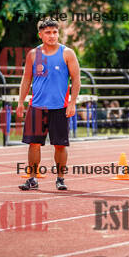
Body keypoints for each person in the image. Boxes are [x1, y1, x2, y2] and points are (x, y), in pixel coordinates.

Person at [16, 18, 80, 191]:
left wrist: (72, 103)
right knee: (33, 144)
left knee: (60, 145)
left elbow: (76, 79)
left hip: (60, 107)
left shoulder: (67, 53)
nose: (52, 36)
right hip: (37, 106)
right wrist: (20, 102)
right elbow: (26, 79)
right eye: (48, 32)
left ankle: (60, 179)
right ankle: (32, 179)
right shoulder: (33, 54)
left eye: (55, 32)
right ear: (40, 35)